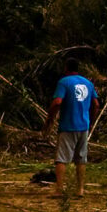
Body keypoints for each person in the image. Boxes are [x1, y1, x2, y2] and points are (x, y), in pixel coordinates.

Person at [42, 58, 99, 197]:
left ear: (66, 68)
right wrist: (91, 121)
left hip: (68, 126)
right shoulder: (88, 83)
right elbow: (96, 104)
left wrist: (50, 119)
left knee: (61, 159)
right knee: (81, 159)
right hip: (83, 126)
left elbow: (57, 102)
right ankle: (80, 190)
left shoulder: (64, 82)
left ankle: (59, 190)